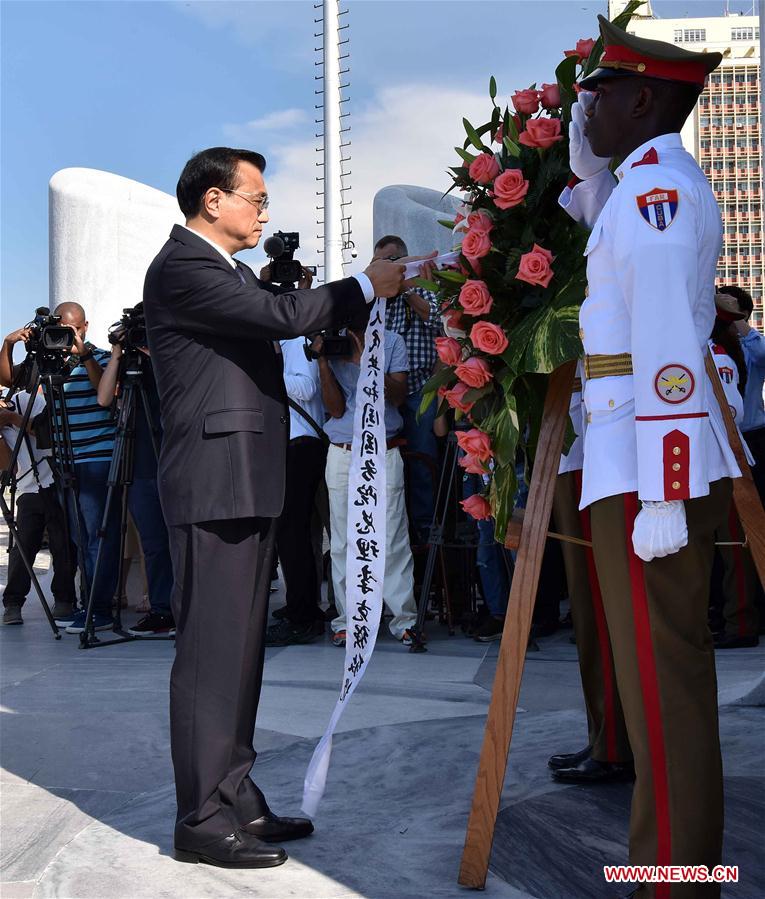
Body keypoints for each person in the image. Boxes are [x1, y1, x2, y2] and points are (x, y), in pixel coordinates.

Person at [143, 146, 409, 869]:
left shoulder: (221, 269)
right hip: (213, 480)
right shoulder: (183, 266)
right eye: (253, 198)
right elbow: (281, 314)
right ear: (210, 202)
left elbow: (275, 313)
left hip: (243, 477)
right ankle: (200, 816)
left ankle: (233, 792)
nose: (264, 210)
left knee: (240, 651)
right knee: (210, 655)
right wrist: (362, 284)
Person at [561, 18, 740, 897]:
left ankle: (674, 875)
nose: (581, 111)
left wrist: (666, 491)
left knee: (662, 681)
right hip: (631, 461)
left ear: (641, 99)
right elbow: (595, 221)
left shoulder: (653, 197)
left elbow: (666, 346)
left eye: (596, 97)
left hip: (646, 472)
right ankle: (674, 862)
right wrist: (584, 158)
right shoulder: (639, 187)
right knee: (657, 675)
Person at [0, 305, 120, 634]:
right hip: (64, 462)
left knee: (95, 537)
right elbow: (8, 379)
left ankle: (98, 608)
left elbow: (106, 394)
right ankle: (86, 605)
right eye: (60, 331)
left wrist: (84, 356)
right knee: (79, 539)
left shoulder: (101, 357)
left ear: (85, 326)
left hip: (96, 458)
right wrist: (9, 344)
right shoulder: (45, 362)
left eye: (71, 331)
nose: (64, 339)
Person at [549, 370, 633, 784]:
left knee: (599, 606)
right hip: (574, 446)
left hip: (598, 450)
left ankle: (615, 743)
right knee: (586, 607)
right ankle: (603, 732)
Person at [317, 306, 418, 646]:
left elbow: (400, 396)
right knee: (344, 541)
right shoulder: (334, 347)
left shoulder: (392, 342)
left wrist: (366, 361)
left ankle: (403, 619)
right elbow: (334, 408)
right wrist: (321, 362)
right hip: (344, 451)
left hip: (384, 449)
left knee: (392, 536)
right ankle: (347, 621)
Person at [96, 337, 175, 636]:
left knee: (180, 541)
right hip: (140, 463)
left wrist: (156, 352)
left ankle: (188, 607)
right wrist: (117, 354)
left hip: (172, 460)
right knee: (153, 544)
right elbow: (104, 399)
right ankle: (161, 610)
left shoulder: (171, 354)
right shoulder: (126, 363)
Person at [374, 235, 442, 541]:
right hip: (385, 393)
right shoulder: (376, 297)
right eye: (380, 264)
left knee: (422, 461)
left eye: (391, 262)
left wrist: (409, 289)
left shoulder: (425, 285)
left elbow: (440, 321)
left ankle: (425, 531)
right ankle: (391, 532)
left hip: (420, 391)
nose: (386, 269)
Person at [266, 333, 328, 646]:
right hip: (289, 444)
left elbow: (306, 389)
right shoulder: (285, 344)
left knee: (293, 532)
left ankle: (303, 616)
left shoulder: (295, 343)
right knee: (291, 532)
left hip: (302, 444)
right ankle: (299, 607)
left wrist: (268, 368)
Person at [707, 294, 760, 649]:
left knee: (734, 546)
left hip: (727, 460)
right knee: (717, 547)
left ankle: (740, 623)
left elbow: (732, 412)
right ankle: (725, 616)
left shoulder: (718, 355)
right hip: (712, 460)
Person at [0, 389, 77, 626]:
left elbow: (45, 432)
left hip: (55, 482)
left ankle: (64, 599)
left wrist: (11, 418)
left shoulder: (31, 399)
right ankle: (13, 603)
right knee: (22, 548)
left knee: (62, 544)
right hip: (28, 487)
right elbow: (8, 466)